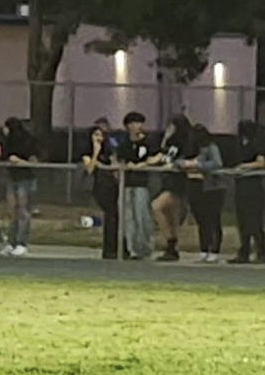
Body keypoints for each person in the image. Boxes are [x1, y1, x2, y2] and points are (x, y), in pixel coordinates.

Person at [180, 124, 224, 263]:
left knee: (213, 220)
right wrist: (185, 163)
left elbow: (217, 164)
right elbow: (178, 161)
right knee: (202, 221)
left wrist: (198, 165)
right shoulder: (192, 149)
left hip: (212, 188)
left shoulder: (211, 147)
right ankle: (204, 249)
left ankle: (215, 250)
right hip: (196, 187)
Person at [152, 114, 193, 262]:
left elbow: (185, 158)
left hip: (178, 182)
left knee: (157, 206)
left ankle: (171, 242)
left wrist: (175, 164)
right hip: (167, 180)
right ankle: (172, 247)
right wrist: (165, 139)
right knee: (170, 215)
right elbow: (163, 154)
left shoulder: (186, 142)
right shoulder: (170, 142)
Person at [115, 112, 156, 259]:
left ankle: (145, 247)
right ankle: (131, 249)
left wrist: (142, 164)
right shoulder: (124, 143)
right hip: (126, 184)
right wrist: (124, 165)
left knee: (141, 216)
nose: (136, 126)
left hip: (141, 184)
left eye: (139, 123)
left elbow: (157, 156)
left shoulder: (148, 141)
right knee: (128, 218)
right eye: (133, 123)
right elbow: (118, 158)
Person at [228, 120, 265, 264]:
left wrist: (244, 167)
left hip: (254, 187)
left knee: (255, 222)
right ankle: (244, 251)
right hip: (241, 186)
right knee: (242, 221)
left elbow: (261, 163)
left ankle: (261, 252)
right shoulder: (238, 145)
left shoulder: (257, 143)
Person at [81, 117, 120, 259]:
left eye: (101, 135)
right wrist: (95, 152)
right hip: (99, 184)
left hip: (111, 184)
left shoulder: (108, 150)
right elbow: (89, 168)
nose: (99, 138)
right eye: (96, 135)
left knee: (114, 215)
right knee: (110, 213)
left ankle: (115, 247)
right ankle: (109, 249)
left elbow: (114, 164)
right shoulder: (87, 151)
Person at [1, 117, 39, 256]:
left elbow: (35, 162)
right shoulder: (8, 142)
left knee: (23, 211)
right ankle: (11, 242)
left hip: (25, 179)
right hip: (12, 178)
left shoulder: (28, 142)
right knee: (12, 211)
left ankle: (22, 243)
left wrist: (20, 161)